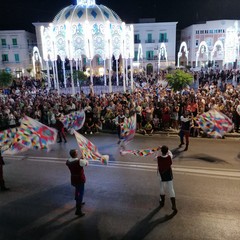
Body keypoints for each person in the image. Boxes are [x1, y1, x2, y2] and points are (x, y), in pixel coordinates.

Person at [66, 149, 88, 217]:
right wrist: (84, 157)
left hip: (73, 178)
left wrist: (81, 158)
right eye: (76, 152)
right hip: (79, 179)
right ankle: (78, 210)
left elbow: (75, 161)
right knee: (80, 193)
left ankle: (78, 200)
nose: (77, 153)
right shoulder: (79, 161)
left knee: (77, 190)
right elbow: (86, 163)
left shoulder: (68, 161)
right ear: (75, 154)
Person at [156, 145, 177, 212]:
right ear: (167, 151)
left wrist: (158, 149)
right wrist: (166, 149)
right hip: (169, 175)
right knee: (171, 189)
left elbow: (154, 157)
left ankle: (162, 202)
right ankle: (174, 205)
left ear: (161, 151)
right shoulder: (169, 157)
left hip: (161, 175)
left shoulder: (158, 158)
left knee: (162, 188)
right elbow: (170, 153)